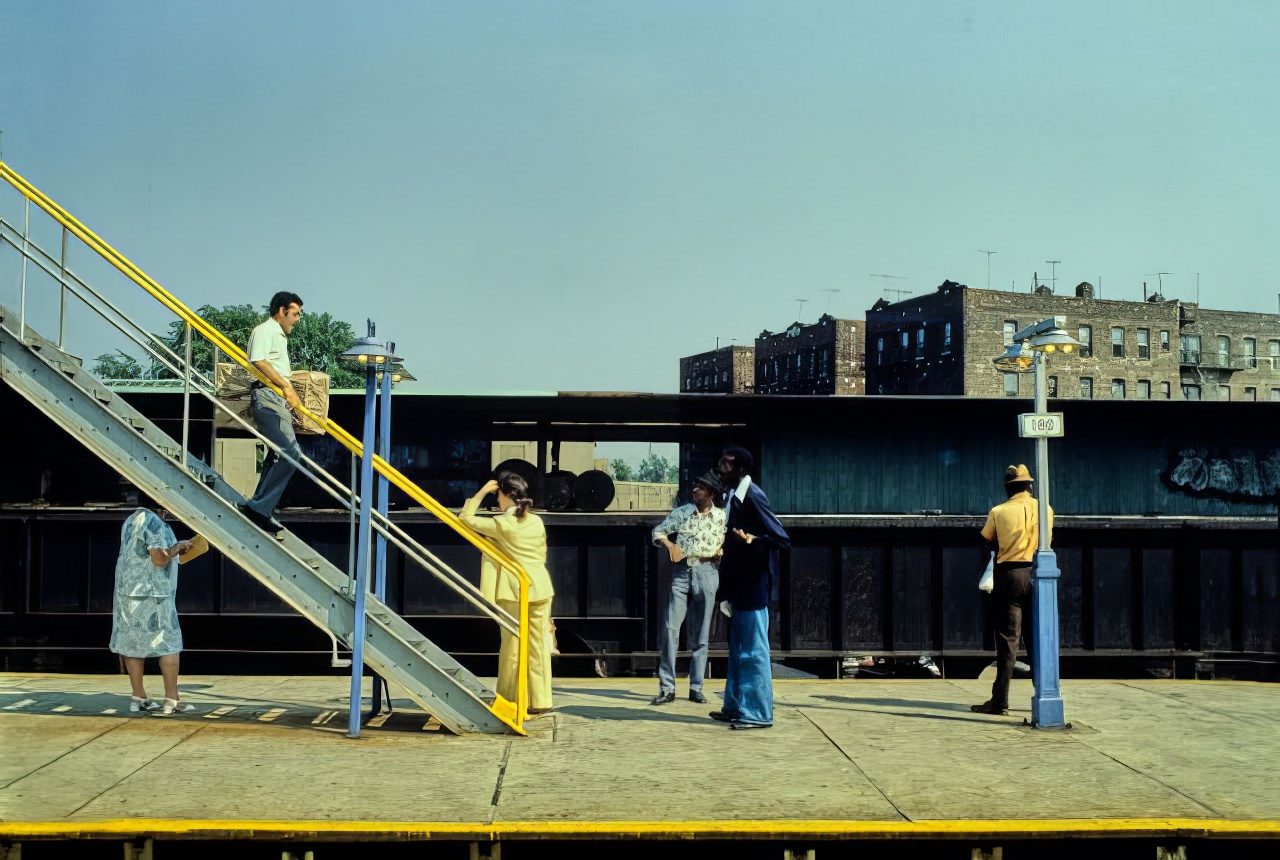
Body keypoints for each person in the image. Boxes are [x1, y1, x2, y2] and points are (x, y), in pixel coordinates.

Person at [460, 472, 555, 715]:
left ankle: (509, 698)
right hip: (541, 586)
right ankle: (541, 699)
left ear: (507, 495)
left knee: (512, 646)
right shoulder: (536, 521)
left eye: (498, 494)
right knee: (537, 645)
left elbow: (465, 518)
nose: (496, 500)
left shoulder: (502, 524)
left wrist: (481, 491)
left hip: (515, 590)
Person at [711, 447, 790, 729]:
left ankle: (758, 713)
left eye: (726, 464)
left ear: (741, 469)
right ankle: (734, 705)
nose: (721, 468)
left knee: (754, 651)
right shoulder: (735, 497)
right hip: (737, 585)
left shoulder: (753, 496)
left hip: (753, 586)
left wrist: (751, 540)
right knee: (738, 649)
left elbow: (780, 538)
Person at [971, 464, 1054, 716]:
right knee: (1037, 638)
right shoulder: (1046, 509)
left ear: (1008, 486)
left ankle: (999, 700)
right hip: (1038, 574)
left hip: (1009, 575)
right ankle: (1044, 694)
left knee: (1008, 639)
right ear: (1029, 485)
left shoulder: (999, 511)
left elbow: (987, 538)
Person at [109, 507, 207, 715]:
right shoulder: (155, 523)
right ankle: (172, 699)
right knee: (169, 643)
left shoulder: (132, 519)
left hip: (128, 592)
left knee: (132, 643)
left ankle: (138, 697)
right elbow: (159, 559)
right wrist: (177, 548)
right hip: (154, 595)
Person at [649, 470, 728, 706]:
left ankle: (696, 687)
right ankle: (667, 687)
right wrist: (670, 545)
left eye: (701, 488)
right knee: (670, 629)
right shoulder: (682, 513)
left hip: (707, 570)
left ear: (711, 493)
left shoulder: (722, 517)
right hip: (682, 572)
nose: (695, 491)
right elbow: (658, 531)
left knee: (702, 633)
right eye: (695, 487)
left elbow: (731, 539)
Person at [237, 291, 304, 534]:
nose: (297, 319)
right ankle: (259, 508)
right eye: (295, 314)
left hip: (276, 397)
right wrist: (287, 387)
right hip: (268, 395)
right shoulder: (265, 330)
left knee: (278, 455)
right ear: (281, 312)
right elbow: (258, 360)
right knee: (291, 452)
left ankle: (259, 507)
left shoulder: (279, 336)